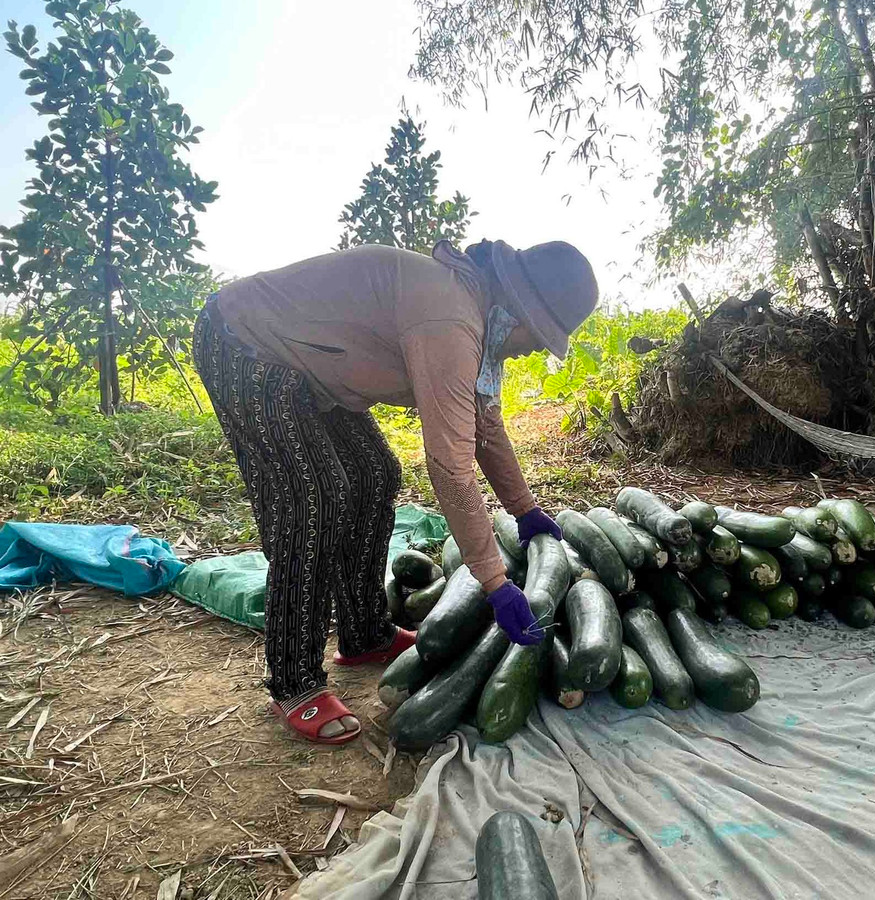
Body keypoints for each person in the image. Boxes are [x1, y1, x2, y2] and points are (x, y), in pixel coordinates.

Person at [193, 238, 598, 744]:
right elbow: (450, 468)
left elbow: (485, 427)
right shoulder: (449, 319)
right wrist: (496, 584)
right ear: (515, 310)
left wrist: (524, 509)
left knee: (376, 474)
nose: (535, 348)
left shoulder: (477, 321)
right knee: (317, 497)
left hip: (314, 373)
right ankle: (294, 682)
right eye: (537, 335)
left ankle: (364, 633)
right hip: (243, 342)